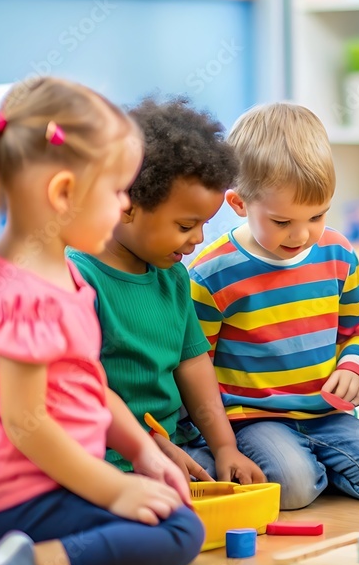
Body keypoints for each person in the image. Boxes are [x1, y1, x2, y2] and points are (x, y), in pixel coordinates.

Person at [0, 78, 203, 565]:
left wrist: (142, 450)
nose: (124, 206)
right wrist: (116, 488)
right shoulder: (27, 295)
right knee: (181, 531)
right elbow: (27, 423)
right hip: (16, 502)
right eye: (116, 192)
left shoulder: (63, 275)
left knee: (158, 503)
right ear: (63, 193)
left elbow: (87, 388)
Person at [188, 103, 359, 510]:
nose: (302, 234)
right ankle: (218, 460)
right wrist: (216, 434)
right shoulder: (212, 272)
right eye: (281, 222)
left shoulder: (337, 252)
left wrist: (354, 366)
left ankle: (306, 466)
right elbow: (194, 361)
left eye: (317, 215)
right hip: (250, 417)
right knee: (294, 488)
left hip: (323, 413)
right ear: (239, 204)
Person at [67, 97, 263, 484]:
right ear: (126, 207)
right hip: (99, 460)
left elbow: (193, 366)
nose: (198, 239)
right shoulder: (76, 279)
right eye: (186, 225)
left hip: (170, 447)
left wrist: (225, 447)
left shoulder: (172, 278)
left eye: (204, 224)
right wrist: (145, 446)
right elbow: (78, 393)